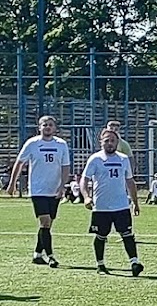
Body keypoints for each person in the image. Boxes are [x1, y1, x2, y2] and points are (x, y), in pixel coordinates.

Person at [7, 115, 71, 267]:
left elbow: (65, 167)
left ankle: (37, 254)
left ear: (55, 128)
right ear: (39, 127)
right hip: (38, 189)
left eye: (50, 125)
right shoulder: (32, 143)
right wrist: (12, 183)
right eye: (44, 125)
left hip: (54, 190)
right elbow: (20, 162)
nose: (47, 127)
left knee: (47, 225)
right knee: (45, 221)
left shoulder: (61, 145)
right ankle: (51, 256)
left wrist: (62, 187)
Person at [81, 129, 143, 276]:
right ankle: (100, 264)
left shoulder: (123, 159)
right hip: (101, 206)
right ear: (101, 142)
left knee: (127, 234)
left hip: (121, 205)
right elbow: (85, 179)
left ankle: (134, 263)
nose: (109, 143)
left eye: (112, 140)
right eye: (106, 140)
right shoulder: (95, 159)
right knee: (101, 235)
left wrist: (135, 202)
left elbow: (129, 180)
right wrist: (86, 197)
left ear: (117, 142)